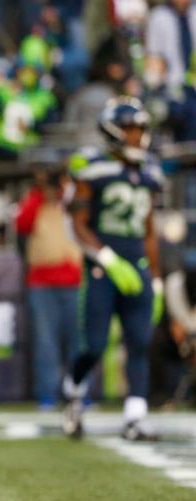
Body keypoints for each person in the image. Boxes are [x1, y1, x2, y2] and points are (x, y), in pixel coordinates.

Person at [63, 98, 164, 441]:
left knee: (139, 342)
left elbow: (149, 228)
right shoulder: (91, 166)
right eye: (131, 129)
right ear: (113, 131)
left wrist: (157, 276)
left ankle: (135, 417)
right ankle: (74, 391)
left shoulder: (149, 170)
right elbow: (78, 224)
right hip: (102, 269)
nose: (138, 137)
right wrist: (105, 258)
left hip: (137, 265)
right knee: (94, 345)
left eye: (140, 130)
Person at [15, 168, 83, 410]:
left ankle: (79, 393)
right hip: (42, 282)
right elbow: (22, 223)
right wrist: (39, 190)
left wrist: (66, 183)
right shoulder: (37, 202)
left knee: (79, 342)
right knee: (46, 343)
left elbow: (82, 207)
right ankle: (48, 394)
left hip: (75, 280)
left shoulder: (72, 202)